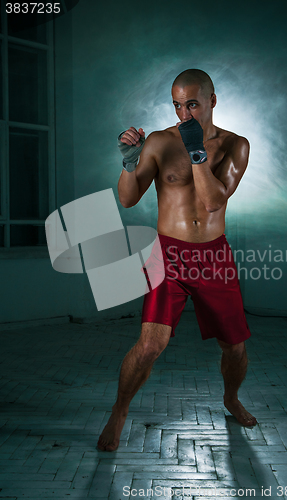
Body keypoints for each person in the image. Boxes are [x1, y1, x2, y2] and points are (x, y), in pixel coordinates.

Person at [97, 68, 256, 452]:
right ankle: (119, 411)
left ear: (212, 102)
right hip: (167, 252)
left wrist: (197, 151)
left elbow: (214, 200)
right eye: (177, 105)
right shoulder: (159, 142)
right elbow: (127, 198)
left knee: (234, 346)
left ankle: (231, 398)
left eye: (193, 104)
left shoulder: (236, 145)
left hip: (214, 255)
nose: (183, 113)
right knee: (151, 344)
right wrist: (130, 163)